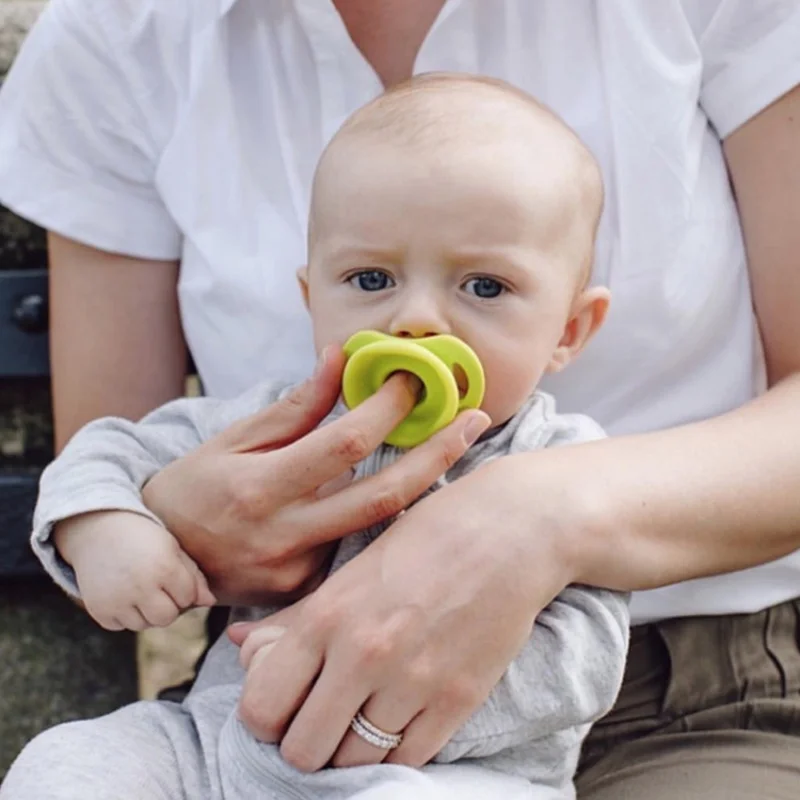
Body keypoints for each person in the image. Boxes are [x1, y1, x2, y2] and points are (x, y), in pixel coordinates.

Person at [0, 1, 798, 798]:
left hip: (493, 752)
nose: (415, 318)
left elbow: (578, 667)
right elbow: (110, 450)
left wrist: (525, 535)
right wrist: (124, 524)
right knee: (67, 768)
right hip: (236, 728)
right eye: (371, 281)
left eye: (484, 286)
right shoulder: (279, 417)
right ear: (311, 297)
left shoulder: (547, 448)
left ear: (570, 329)